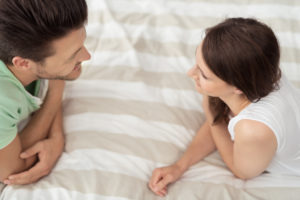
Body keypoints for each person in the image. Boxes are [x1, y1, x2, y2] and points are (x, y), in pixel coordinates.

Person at [148, 18, 300, 197]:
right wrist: (180, 166)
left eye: (204, 75)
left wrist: (210, 111)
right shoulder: (262, 69)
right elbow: (222, 121)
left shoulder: (254, 128)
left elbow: (242, 171)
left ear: (237, 87)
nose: (191, 73)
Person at [0, 0, 91, 185]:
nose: (87, 56)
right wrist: (55, 96)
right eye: (73, 55)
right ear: (24, 63)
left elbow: (54, 78)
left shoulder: (45, 37)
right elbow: (13, 169)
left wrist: (56, 136)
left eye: (82, 43)